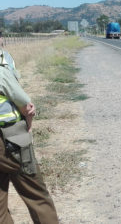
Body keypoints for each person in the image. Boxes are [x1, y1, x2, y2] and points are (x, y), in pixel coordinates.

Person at [0, 33, 59, 223]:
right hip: (10, 141)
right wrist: (28, 122)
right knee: (37, 198)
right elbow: (25, 105)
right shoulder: (2, 67)